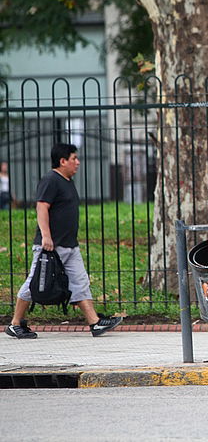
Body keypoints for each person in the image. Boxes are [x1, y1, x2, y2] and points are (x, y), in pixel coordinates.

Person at [5, 144, 123, 339]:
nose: (77, 162)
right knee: (35, 283)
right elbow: (41, 207)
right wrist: (46, 236)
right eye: (74, 158)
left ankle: (94, 323)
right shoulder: (51, 180)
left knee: (80, 282)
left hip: (69, 245)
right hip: (51, 246)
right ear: (62, 161)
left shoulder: (67, 181)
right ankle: (15, 324)